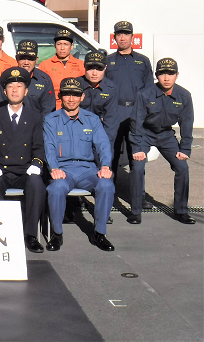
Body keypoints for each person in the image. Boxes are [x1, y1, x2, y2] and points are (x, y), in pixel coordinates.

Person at [43, 78, 115, 252]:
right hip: (63, 170)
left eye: (75, 95)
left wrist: (105, 166)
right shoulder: (51, 120)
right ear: (60, 96)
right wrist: (53, 168)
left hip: (87, 170)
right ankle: (57, 233)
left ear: (82, 97)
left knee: (106, 185)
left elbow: (103, 145)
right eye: (67, 94)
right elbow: (49, 147)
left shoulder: (92, 120)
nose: (71, 99)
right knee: (56, 188)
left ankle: (100, 233)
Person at [0, 68, 46, 253]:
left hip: (25, 169)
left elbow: (39, 146)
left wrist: (37, 163)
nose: (15, 90)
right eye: (11, 86)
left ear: (26, 91)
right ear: (4, 91)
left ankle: (31, 235)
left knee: (37, 184)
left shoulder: (35, 117)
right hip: (2, 169)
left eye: (19, 86)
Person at [129, 58, 195, 225]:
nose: (166, 78)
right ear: (156, 75)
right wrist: (137, 148)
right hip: (145, 134)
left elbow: (187, 124)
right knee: (137, 167)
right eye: (162, 73)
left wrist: (185, 149)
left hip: (166, 135)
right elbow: (136, 123)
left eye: (170, 73)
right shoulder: (144, 94)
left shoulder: (184, 96)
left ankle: (181, 211)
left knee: (182, 167)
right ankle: (135, 211)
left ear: (177, 75)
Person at [105, 20, 154, 210]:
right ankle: (109, 195)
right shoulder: (108, 61)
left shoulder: (143, 61)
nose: (123, 37)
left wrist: (147, 114)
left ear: (132, 37)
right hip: (114, 113)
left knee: (137, 156)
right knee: (111, 155)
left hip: (136, 113)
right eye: (119, 34)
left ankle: (139, 197)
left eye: (126, 34)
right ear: (115, 37)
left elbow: (149, 89)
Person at [0, 39, 55, 117]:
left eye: (30, 59)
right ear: (17, 58)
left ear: (36, 59)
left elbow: (48, 111)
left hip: (36, 124)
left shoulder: (44, 80)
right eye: (22, 58)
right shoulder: (6, 78)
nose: (26, 62)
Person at [38, 29, 85, 110]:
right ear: (55, 46)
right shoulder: (45, 65)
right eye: (59, 44)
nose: (62, 48)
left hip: (75, 107)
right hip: (53, 108)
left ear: (72, 46)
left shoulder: (81, 65)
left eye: (66, 44)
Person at [79, 51, 119, 146]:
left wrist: (104, 144)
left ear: (105, 68)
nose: (94, 73)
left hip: (101, 134)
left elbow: (111, 121)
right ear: (84, 67)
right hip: (77, 133)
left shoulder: (111, 89)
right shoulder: (76, 85)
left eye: (99, 69)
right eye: (90, 68)